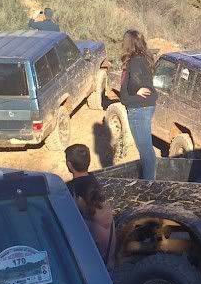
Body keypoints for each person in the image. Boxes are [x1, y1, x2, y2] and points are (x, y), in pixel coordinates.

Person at [65, 144, 116, 269]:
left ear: (69, 165)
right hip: (108, 260)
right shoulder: (98, 184)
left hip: (91, 264)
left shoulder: (70, 192)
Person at [120, 30, 157, 179]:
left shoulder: (135, 61)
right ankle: (149, 181)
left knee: (145, 151)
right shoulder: (144, 59)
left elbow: (132, 86)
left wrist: (135, 89)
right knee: (146, 150)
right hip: (144, 107)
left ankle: (149, 185)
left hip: (138, 110)